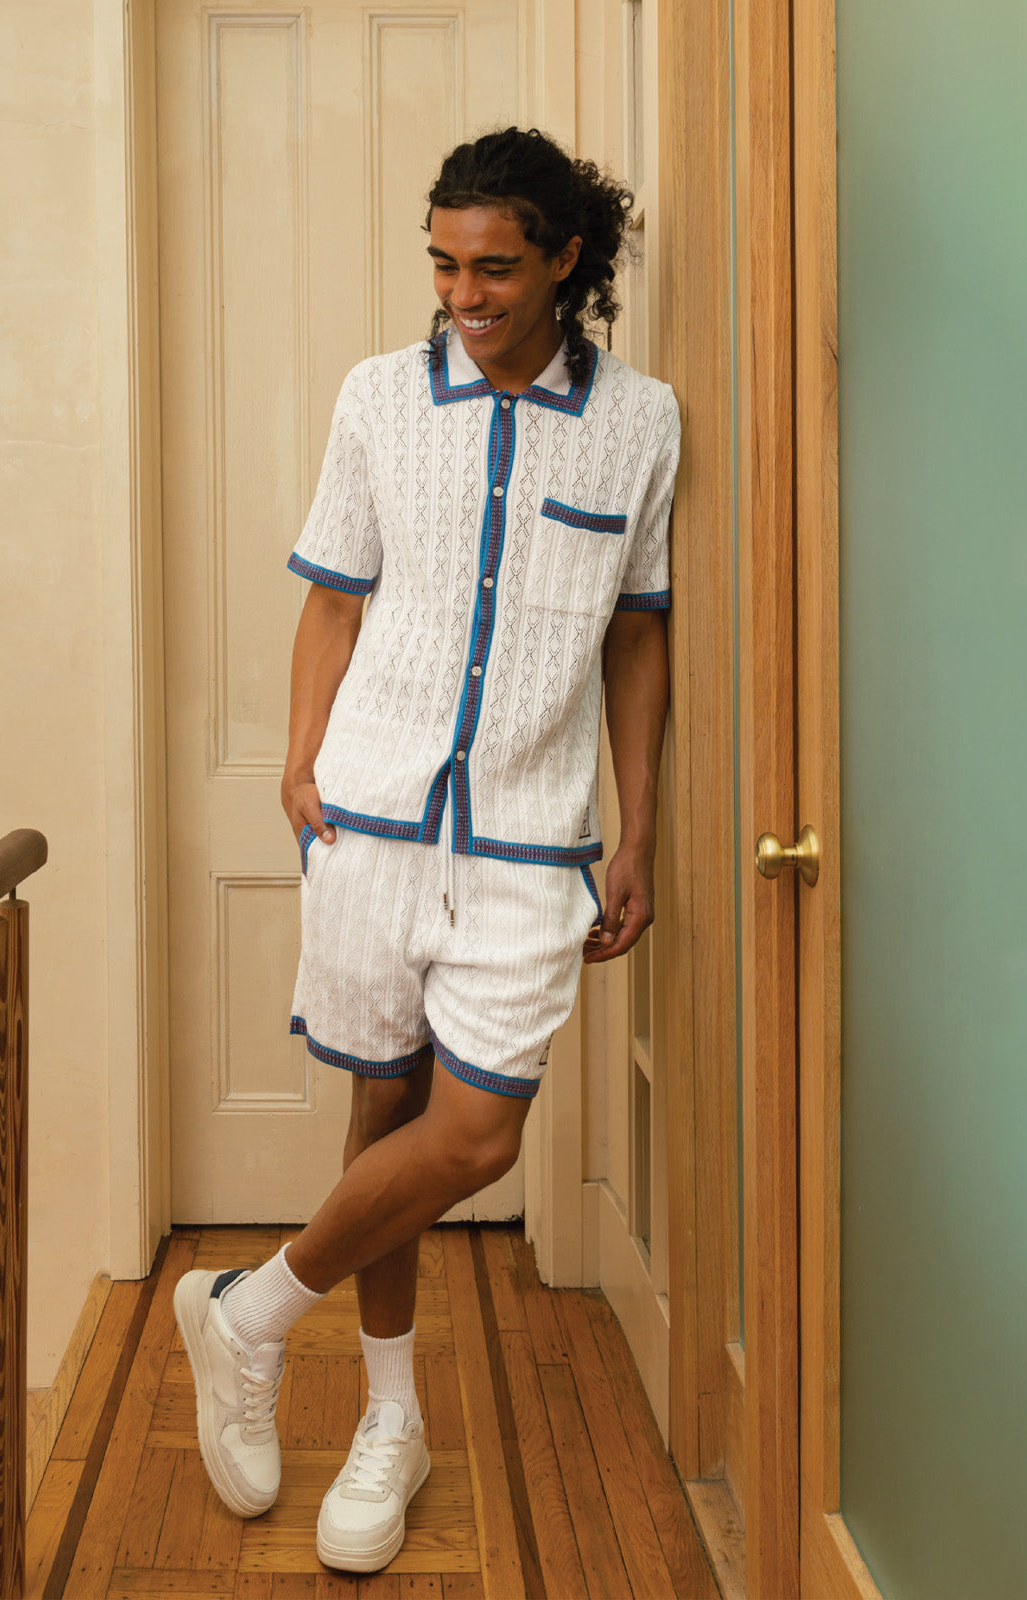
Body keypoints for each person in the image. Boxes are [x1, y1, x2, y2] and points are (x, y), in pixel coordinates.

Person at [174, 125, 680, 1574]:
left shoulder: (642, 423)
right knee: (384, 1118)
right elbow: (334, 597)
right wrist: (297, 760)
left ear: (565, 259)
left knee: (474, 1137)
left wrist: (639, 829)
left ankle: (247, 1312)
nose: (464, 294)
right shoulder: (379, 399)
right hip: (373, 819)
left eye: (496, 268)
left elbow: (635, 639)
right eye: (445, 265)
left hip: (529, 838)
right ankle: (389, 1421)